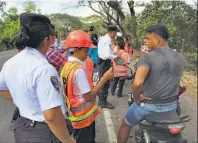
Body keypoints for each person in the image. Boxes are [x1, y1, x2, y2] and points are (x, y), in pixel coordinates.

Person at [0, 13, 75, 143]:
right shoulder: (44, 69)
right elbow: (51, 116)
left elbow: (1, 88)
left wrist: (20, 99)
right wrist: (68, 140)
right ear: (46, 40)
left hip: (22, 127)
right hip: (43, 133)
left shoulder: (11, 63)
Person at [117, 24, 185, 143]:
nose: (146, 41)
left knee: (125, 125)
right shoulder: (180, 57)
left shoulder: (148, 58)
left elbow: (137, 83)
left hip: (149, 106)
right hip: (171, 106)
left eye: (148, 38)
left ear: (157, 40)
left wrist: (137, 98)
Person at [60, 30, 114, 143]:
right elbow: (89, 96)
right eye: (85, 50)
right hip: (83, 118)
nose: (87, 54)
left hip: (74, 115)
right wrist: (104, 78)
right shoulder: (78, 70)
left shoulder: (66, 66)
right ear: (75, 49)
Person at [97, 25, 118, 109]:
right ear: (113, 32)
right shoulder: (107, 41)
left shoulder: (104, 39)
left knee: (103, 81)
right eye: (115, 33)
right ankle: (103, 102)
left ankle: (101, 100)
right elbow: (107, 55)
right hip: (104, 62)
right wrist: (116, 57)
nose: (115, 35)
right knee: (105, 82)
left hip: (103, 62)